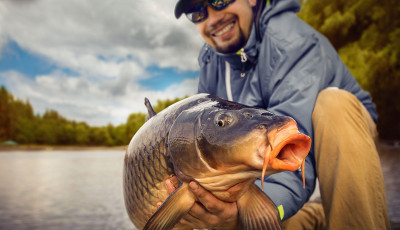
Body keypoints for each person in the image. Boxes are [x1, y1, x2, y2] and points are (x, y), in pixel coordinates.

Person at [163, 0, 391, 229]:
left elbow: (289, 149)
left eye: (220, 0)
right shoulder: (210, 61)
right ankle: (316, 216)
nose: (212, 19)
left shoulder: (290, 40)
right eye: (197, 13)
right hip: (265, 149)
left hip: (345, 131)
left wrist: (249, 213)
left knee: (333, 105)